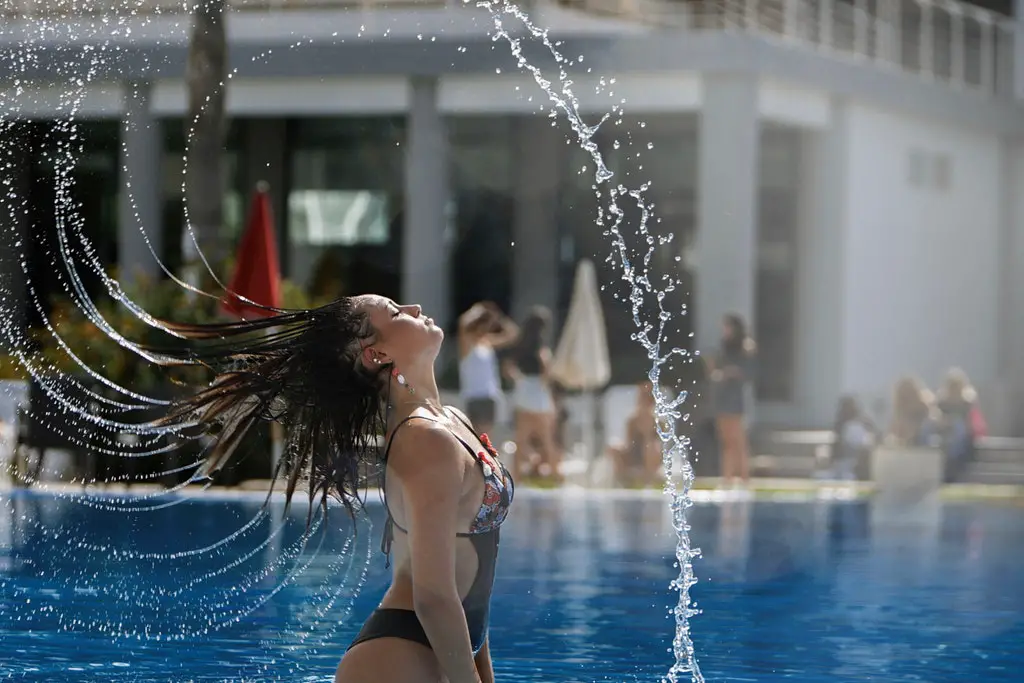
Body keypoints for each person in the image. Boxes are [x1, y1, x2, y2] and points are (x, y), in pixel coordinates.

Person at [156, 295, 514, 683]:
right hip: (399, 660)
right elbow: (433, 596)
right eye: (395, 313)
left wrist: (483, 673)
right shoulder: (424, 439)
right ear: (376, 354)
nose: (413, 308)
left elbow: (474, 580)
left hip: (441, 650)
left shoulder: (448, 421)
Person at [503, 306, 561, 481]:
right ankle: (554, 476)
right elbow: (546, 367)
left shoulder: (520, 344)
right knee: (546, 438)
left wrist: (519, 380)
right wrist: (544, 382)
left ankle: (517, 478)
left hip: (523, 390)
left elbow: (507, 367)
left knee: (521, 438)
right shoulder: (541, 344)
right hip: (538, 392)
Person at [457, 302, 518, 436]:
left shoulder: (487, 342)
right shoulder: (467, 345)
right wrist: (476, 311)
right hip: (474, 395)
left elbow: (512, 334)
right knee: (475, 434)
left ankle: (483, 457)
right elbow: (462, 323)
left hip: (490, 395)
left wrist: (498, 317)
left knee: (486, 435)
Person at [709, 313, 756, 487]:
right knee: (726, 441)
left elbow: (748, 372)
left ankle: (744, 477)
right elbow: (715, 370)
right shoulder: (722, 348)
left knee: (739, 441)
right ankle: (727, 478)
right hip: (722, 397)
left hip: (736, 398)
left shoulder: (745, 348)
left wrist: (732, 372)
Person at [607, 381, 663, 487]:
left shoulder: (658, 422)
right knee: (612, 448)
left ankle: (648, 479)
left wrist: (647, 434)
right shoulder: (632, 421)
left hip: (651, 457)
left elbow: (662, 446)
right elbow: (629, 443)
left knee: (651, 447)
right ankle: (623, 481)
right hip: (635, 453)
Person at [936, 367, 986, 481]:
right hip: (944, 439)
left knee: (958, 427)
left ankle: (953, 461)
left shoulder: (967, 404)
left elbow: (973, 426)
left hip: (964, 444)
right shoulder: (942, 403)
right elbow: (938, 422)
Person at [826, 395, 875, 480]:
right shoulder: (842, 426)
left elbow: (865, 446)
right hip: (843, 465)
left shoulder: (860, 424)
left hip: (854, 466)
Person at [887, 376, 937, 447]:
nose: (906, 400)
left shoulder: (924, 413)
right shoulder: (898, 415)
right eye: (903, 397)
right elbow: (893, 435)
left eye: (909, 395)